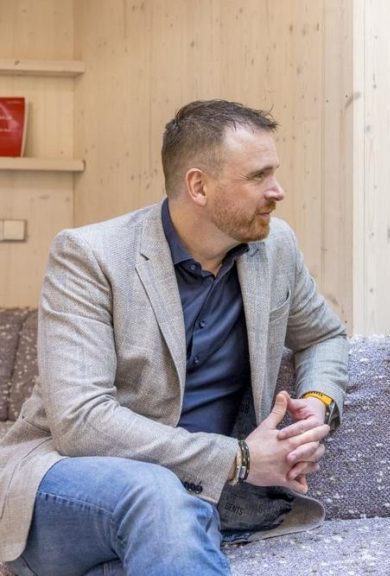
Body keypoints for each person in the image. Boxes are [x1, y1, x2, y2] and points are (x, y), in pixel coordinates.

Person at [0, 100, 348, 575]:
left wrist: (319, 402)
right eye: (258, 176)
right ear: (198, 186)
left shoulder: (275, 247)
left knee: (172, 509)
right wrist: (239, 459)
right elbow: (82, 421)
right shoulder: (89, 256)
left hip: (207, 501)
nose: (278, 191)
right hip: (68, 481)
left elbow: (323, 334)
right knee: (157, 492)